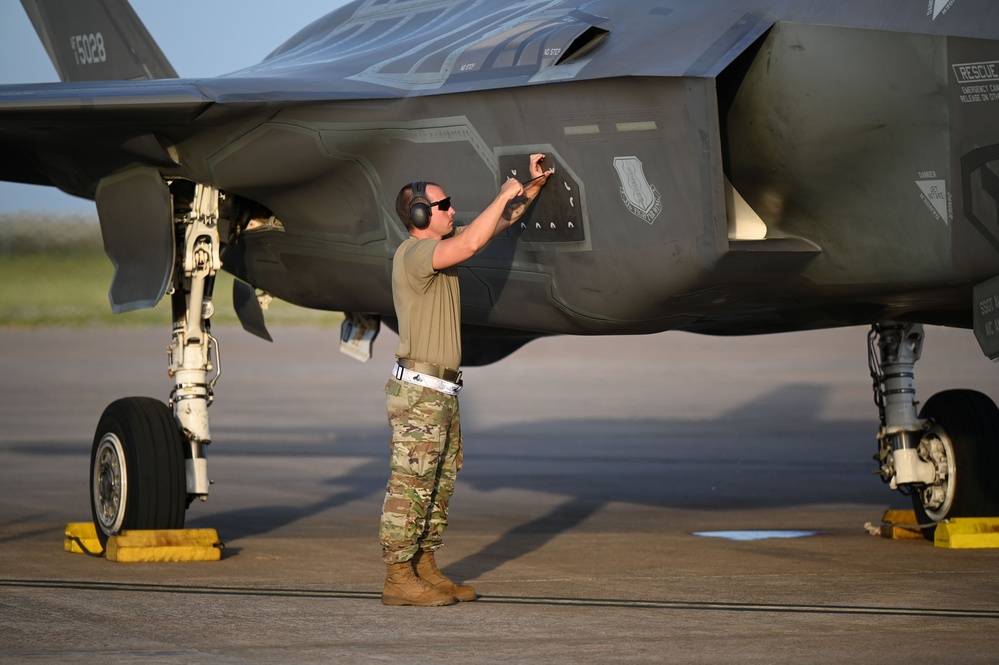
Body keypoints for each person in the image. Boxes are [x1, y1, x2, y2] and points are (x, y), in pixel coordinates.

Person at [380, 154, 552, 606]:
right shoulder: (416, 254)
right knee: (410, 488)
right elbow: (473, 242)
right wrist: (501, 193)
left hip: (441, 392)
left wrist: (530, 188)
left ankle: (424, 566)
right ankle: (398, 577)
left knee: (437, 487)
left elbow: (492, 228)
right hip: (419, 394)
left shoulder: (441, 247)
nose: (452, 210)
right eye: (443, 206)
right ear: (419, 215)